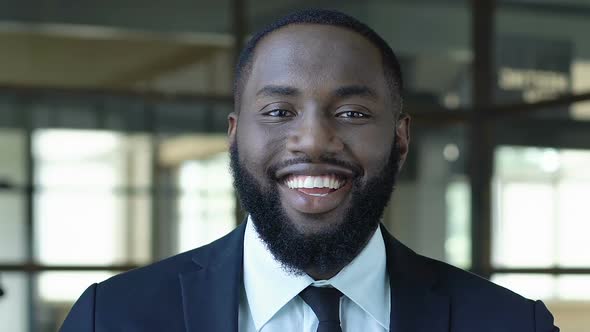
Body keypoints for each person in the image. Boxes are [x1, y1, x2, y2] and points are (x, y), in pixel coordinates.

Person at [61, 9, 559, 332]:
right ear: (234, 135)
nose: (315, 141)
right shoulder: (112, 318)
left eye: (353, 113)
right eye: (279, 112)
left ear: (401, 138)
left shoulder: (512, 323)